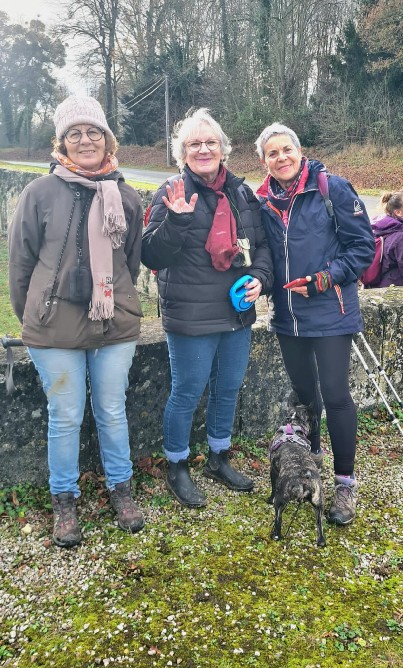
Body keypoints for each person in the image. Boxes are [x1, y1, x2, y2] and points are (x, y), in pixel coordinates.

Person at [8, 95, 145, 548]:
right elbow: (20, 265)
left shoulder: (126, 196)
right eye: (74, 133)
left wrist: (113, 299)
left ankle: (121, 490)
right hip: (54, 327)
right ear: (61, 142)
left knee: (112, 410)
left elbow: (131, 262)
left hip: (113, 326)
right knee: (65, 416)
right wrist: (36, 314)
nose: (85, 140)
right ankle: (64, 501)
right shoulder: (39, 193)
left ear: (107, 139)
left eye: (93, 132)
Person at [142, 108, 273, 507]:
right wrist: (176, 222)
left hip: (236, 311)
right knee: (187, 391)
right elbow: (151, 255)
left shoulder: (242, 194)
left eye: (210, 142)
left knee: (228, 388)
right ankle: (177, 465)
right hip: (191, 313)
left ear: (223, 149)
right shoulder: (171, 192)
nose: (203, 149)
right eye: (194, 144)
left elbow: (262, 247)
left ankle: (218, 457)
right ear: (182, 152)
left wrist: (260, 278)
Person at [255, 122, 375, 525]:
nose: (281, 158)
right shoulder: (262, 202)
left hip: (331, 312)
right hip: (287, 317)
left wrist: (324, 279)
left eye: (286, 149)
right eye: (272, 153)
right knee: (305, 396)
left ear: (299, 151)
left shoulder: (331, 189)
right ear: (264, 161)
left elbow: (363, 247)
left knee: (337, 395)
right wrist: (258, 281)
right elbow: (266, 258)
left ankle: (345, 484)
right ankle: (314, 460)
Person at [369, 190, 403, 287]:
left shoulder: (380, 227)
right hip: (393, 289)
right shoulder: (400, 237)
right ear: (398, 212)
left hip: (376, 285)